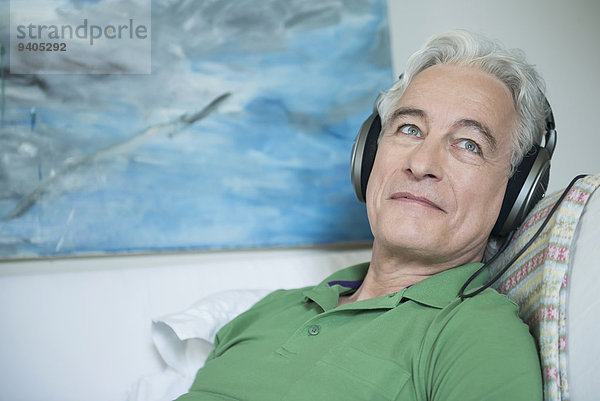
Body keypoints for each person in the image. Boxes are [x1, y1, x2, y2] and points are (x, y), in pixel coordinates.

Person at [176, 30, 545, 401]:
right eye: (410, 129)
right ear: (368, 157)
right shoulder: (270, 310)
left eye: (469, 144)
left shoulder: (476, 334)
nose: (421, 164)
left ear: (516, 193)